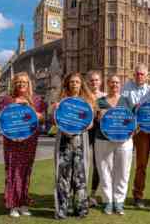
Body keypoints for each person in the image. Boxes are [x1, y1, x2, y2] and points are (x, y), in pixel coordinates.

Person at [0, 72, 45, 218]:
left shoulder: (36, 100)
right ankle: (13, 204)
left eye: (24, 82)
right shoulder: (6, 100)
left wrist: (34, 112)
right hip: (12, 141)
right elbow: (2, 119)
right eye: (18, 82)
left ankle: (23, 203)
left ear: (29, 84)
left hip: (30, 140)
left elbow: (43, 118)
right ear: (14, 84)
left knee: (25, 172)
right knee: (13, 171)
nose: (21, 84)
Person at [54, 72, 95, 219]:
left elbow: (90, 124)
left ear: (81, 84)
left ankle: (80, 209)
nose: (74, 84)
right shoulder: (61, 101)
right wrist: (55, 111)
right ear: (67, 84)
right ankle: (62, 210)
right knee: (63, 176)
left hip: (80, 140)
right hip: (63, 141)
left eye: (77, 82)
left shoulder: (87, 102)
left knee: (80, 175)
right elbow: (55, 121)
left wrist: (79, 128)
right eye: (72, 82)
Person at [95, 74, 134, 215]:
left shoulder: (127, 101)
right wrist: (98, 116)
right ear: (107, 84)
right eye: (112, 82)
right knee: (105, 171)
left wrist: (134, 128)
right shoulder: (99, 101)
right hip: (103, 139)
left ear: (120, 84)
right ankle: (108, 202)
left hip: (124, 141)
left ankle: (119, 202)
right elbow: (93, 118)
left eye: (117, 83)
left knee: (123, 171)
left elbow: (134, 120)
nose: (114, 85)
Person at [121, 63, 150, 208]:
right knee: (123, 163)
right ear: (133, 74)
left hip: (143, 132)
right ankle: (120, 195)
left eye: (142, 74)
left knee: (141, 165)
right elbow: (121, 106)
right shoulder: (126, 88)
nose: (139, 76)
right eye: (137, 74)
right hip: (128, 130)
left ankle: (138, 195)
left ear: (147, 76)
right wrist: (133, 108)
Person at [86, 71, 106, 207]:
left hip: (99, 131)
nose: (94, 82)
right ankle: (81, 193)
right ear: (88, 82)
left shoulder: (105, 97)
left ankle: (92, 194)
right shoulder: (84, 97)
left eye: (96, 80)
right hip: (86, 131)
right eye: (92, 80)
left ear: (100, 81)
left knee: (97, 163)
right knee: (82, 162)